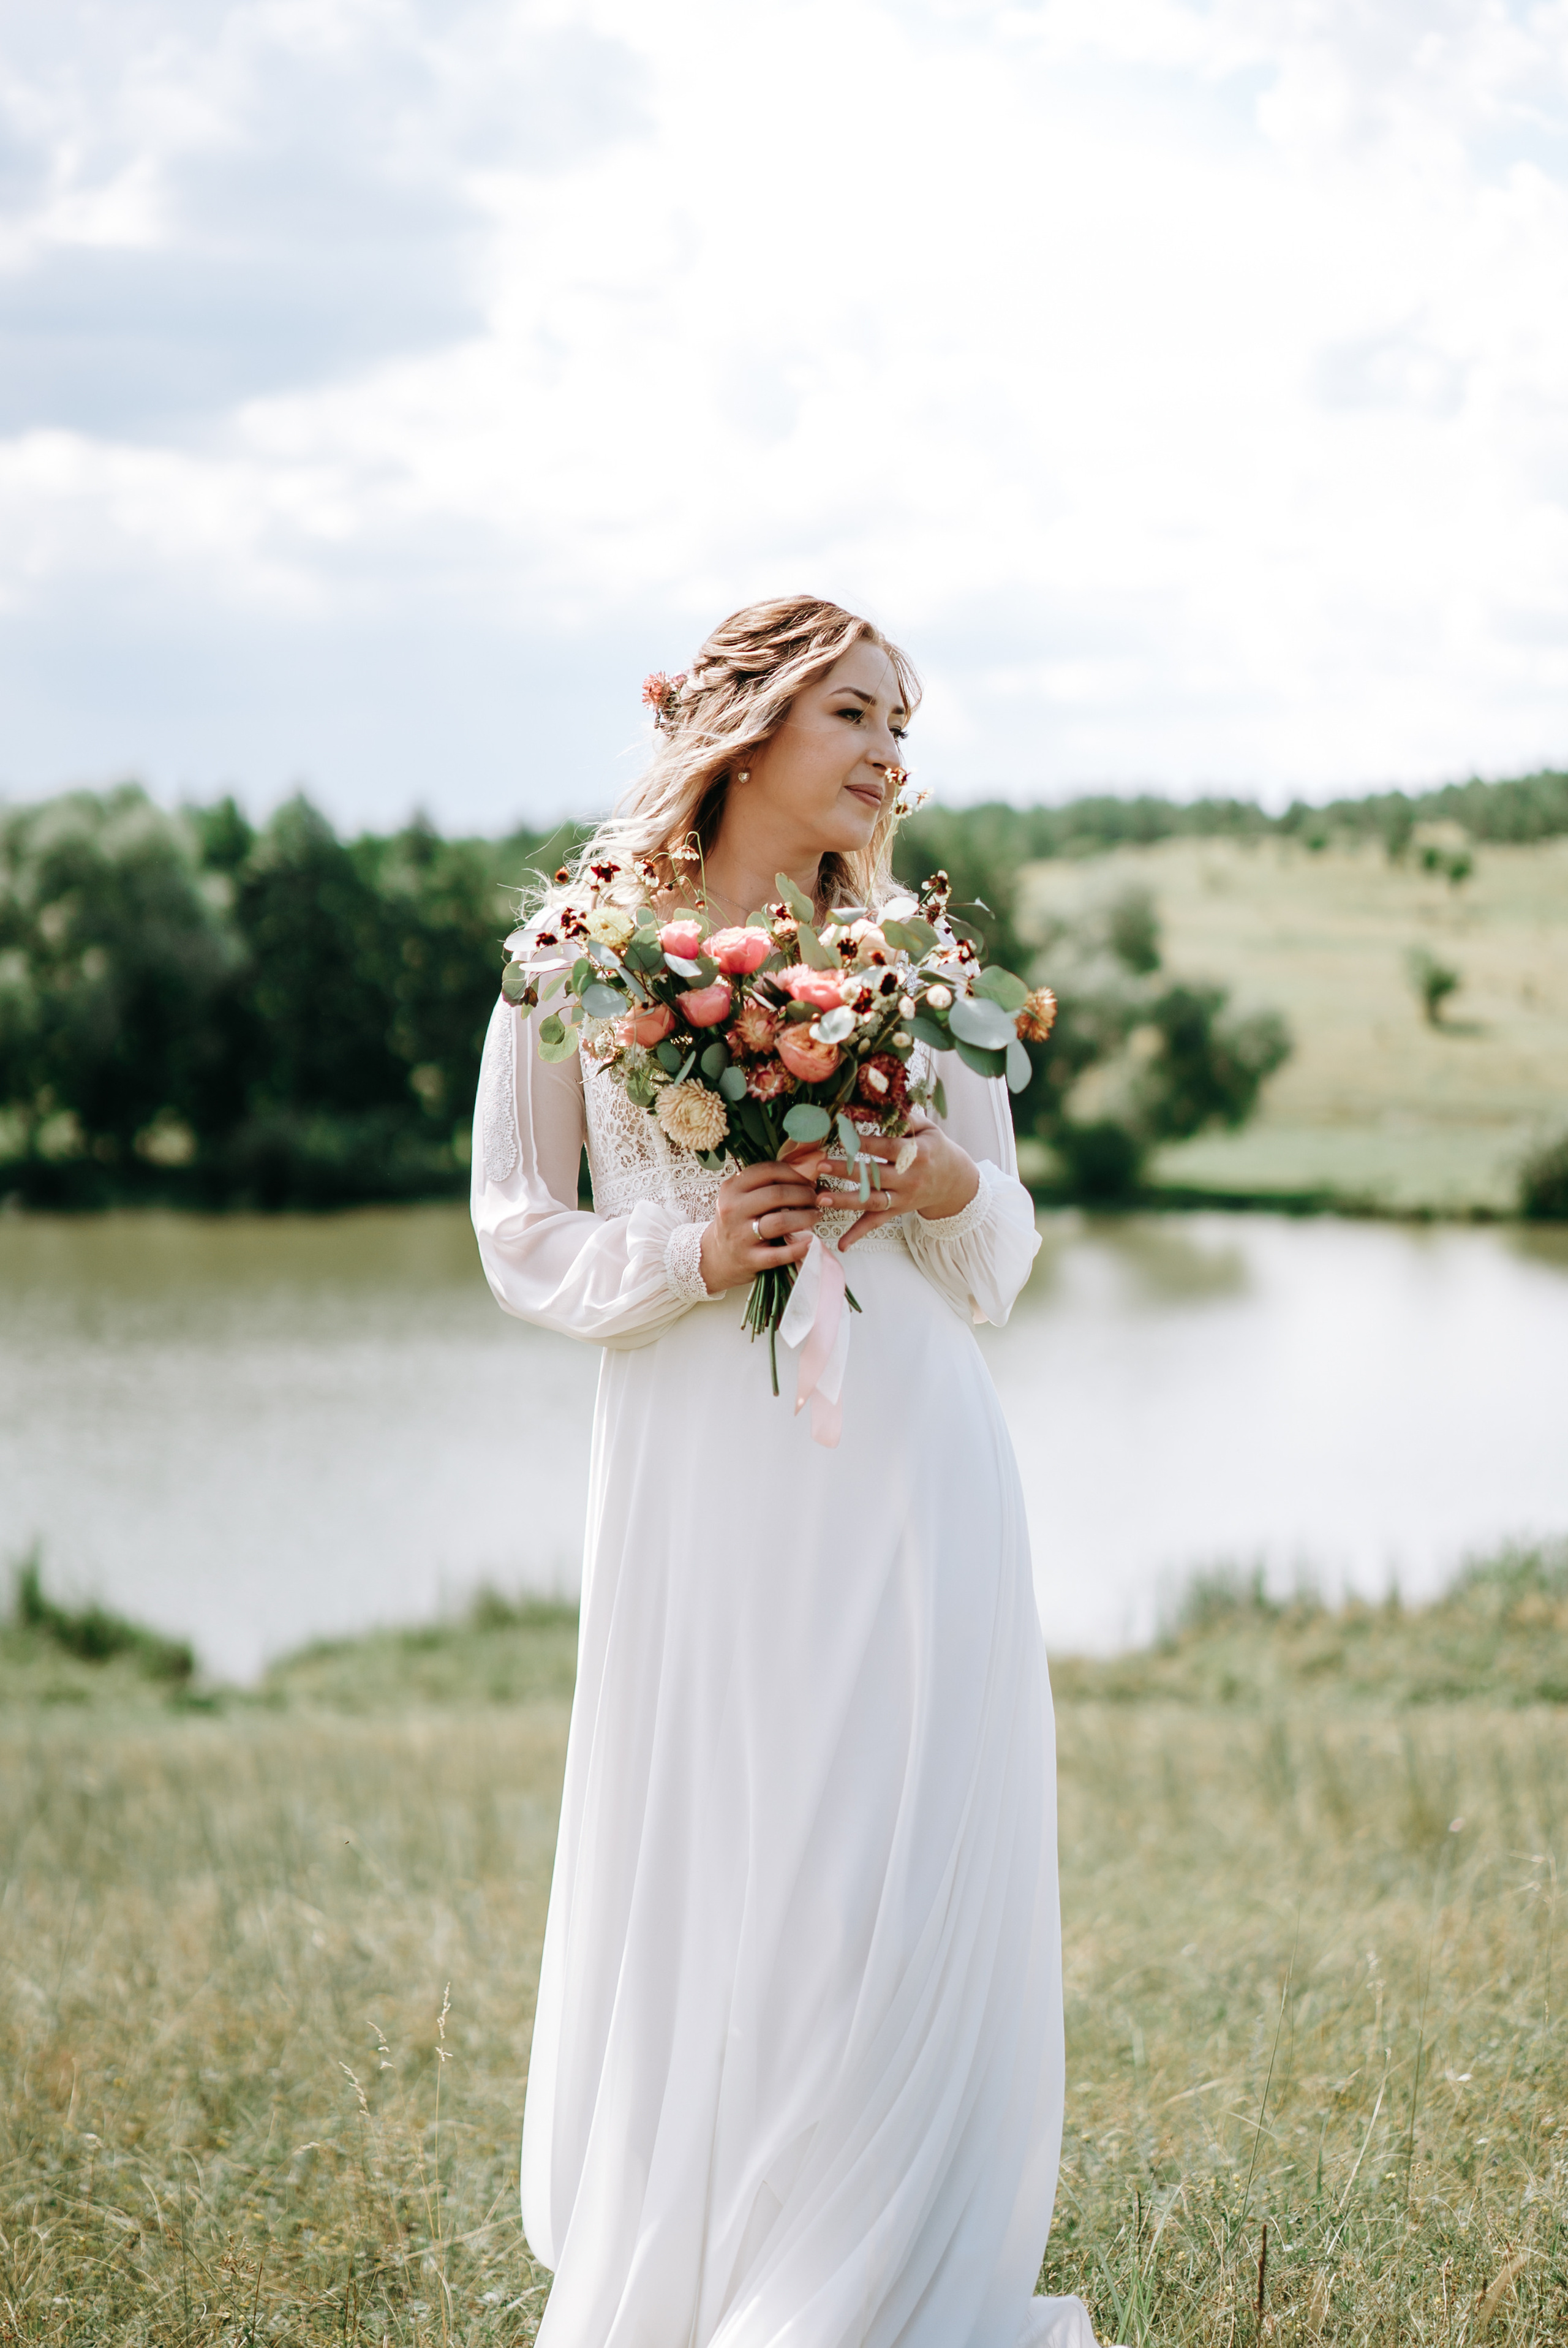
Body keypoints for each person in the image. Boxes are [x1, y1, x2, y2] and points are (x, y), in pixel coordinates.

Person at [471, 596, 1106, 2347]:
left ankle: (858, 2286)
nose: (892, 752)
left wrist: (941, 1184)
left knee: (876, 1858)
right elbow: (515, 1226)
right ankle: (711, 2263)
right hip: (701, 1471)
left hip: (908, 1457)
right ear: (747, 727)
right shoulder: (581, 947)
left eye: (903, 722)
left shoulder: (911, 960)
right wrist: (692, 1250)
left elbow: (1003, 1255)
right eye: (856, 712)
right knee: (735, 1851)